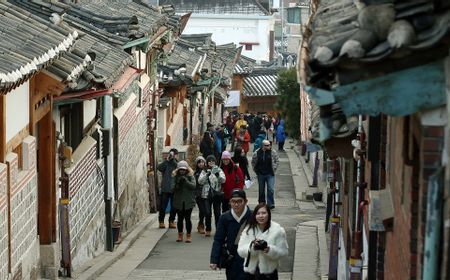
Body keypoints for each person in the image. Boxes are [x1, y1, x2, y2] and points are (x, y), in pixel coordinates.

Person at [237, 203, 288, 279]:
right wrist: (252, 247)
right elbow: (240, 250)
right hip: (251, 273)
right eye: (258, 213)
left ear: (269, 214)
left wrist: (269, 250)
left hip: (269, 273)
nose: (261, 216)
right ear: (255, 215)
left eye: (264, 213)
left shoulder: (277, 230)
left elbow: (283, 252)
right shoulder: (249, 230)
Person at [210, 189, 252, 280]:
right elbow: (218, 239)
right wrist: (214, 259)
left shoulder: (252, 216)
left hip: (249, 258)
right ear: (230, 202)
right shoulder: (224, 217)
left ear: (245, 201)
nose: (236, 204)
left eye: (239, 201)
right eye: (233, 201)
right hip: (232, 259)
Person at [198, 155, 226, 233]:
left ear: (215, 162)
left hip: (217, 194)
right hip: (206, 195)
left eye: (212, 161)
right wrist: (207, 175)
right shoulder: (204, 170)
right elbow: (200, 181)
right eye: (209, 161)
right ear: (207, 162)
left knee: (217, 213)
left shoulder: (218, 169)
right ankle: (208, 229)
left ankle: (218, 230)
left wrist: (217, 175)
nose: (211, 162)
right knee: (207, 213)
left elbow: (223, 180)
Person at [171, 160, 196, 243]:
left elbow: (193, 186)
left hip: (189, 201)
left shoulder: (190, 176)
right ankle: (180, 235)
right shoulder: (175, 177)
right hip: (178, 201)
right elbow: (172, 188)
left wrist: (186, 181)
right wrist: (178, 183)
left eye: (184, 169)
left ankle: (188, 236)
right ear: (178, 169)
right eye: (181, 169)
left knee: (188, 219)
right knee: (180, 219)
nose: (182, 171)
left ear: (186, 169)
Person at [251, 140, 279, 209]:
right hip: (261, 174)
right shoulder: (257, 152)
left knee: (270, 189)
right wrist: (256, 170)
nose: (269, 146)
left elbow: (277, 160)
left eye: (269, 145)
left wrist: (274, 168)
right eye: (267, 145)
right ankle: (262, 203)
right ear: (263, 146)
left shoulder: (273, 152)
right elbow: (253, 161)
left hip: (270, 173)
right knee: (261, 190)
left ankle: (270, 203)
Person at [157, 148, 178, 229]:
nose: (173, 156)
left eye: (174, 155)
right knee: (163, 206)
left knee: (174, 206)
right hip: (165, 188)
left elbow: (178, 168)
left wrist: (173, 160)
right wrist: (167, 160)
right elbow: (159, 168)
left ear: (176, 155)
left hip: (174, 189)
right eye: (172, 154)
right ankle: (161, 221)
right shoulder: (166, 164)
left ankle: (171, 221)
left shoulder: (177, 164)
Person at [194, 156, 207, 234]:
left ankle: (201, 224)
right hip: (198, 195)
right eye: (199, 162)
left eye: (202, 162)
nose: (201, 164)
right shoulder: (195, 173)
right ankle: (201, 224)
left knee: (205, 211)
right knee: (202, 210)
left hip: (206, 194)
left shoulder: (207, 171)